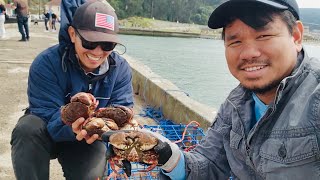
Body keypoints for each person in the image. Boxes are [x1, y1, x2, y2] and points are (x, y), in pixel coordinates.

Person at [103, 0, 320, 179]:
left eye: (263, 36)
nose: (248, 53)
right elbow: (208, 166)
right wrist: (166, 153)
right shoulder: (236, 104)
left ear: (296, 36)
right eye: (235, 41)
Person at [10, 0, 134, 180]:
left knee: (93, 170)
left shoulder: (120, 69)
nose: (98, 52)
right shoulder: (46, 64)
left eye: (107, 45)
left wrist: (116, 132)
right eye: (90, 42)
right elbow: (44, 112)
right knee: (27, 128)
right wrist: (71, 122)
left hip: (89, 137)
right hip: (49, 131)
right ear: (72, 34)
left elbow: (123, 110)